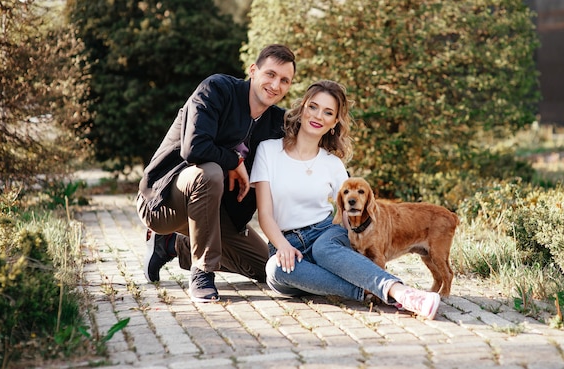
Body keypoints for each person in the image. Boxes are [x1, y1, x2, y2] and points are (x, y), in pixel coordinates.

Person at [250, 80, 441, 319]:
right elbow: (265, 214)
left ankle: (401, 293)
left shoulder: (332, 163)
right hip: (285, 241)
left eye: (328, 112)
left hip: (326, 234)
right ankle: (370, 290)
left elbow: (355, 208)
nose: (318, 115)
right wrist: (283, 246)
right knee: (275, 269)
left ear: (334, 123)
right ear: (302, 109)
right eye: (314, 107)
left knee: (322, 248)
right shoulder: (268, 150)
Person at [136, 44, 296, 303]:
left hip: (218, 214)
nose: (276, 85)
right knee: (208, 173)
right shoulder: (217, 89)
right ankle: (202, 272)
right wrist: (234, 160)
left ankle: (173, 245)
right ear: (253, 70)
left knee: (267, 268)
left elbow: (306, 153)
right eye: (270, 74)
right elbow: (194, 147)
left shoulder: (276, 123)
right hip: (163, 201)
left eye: (284, 80)